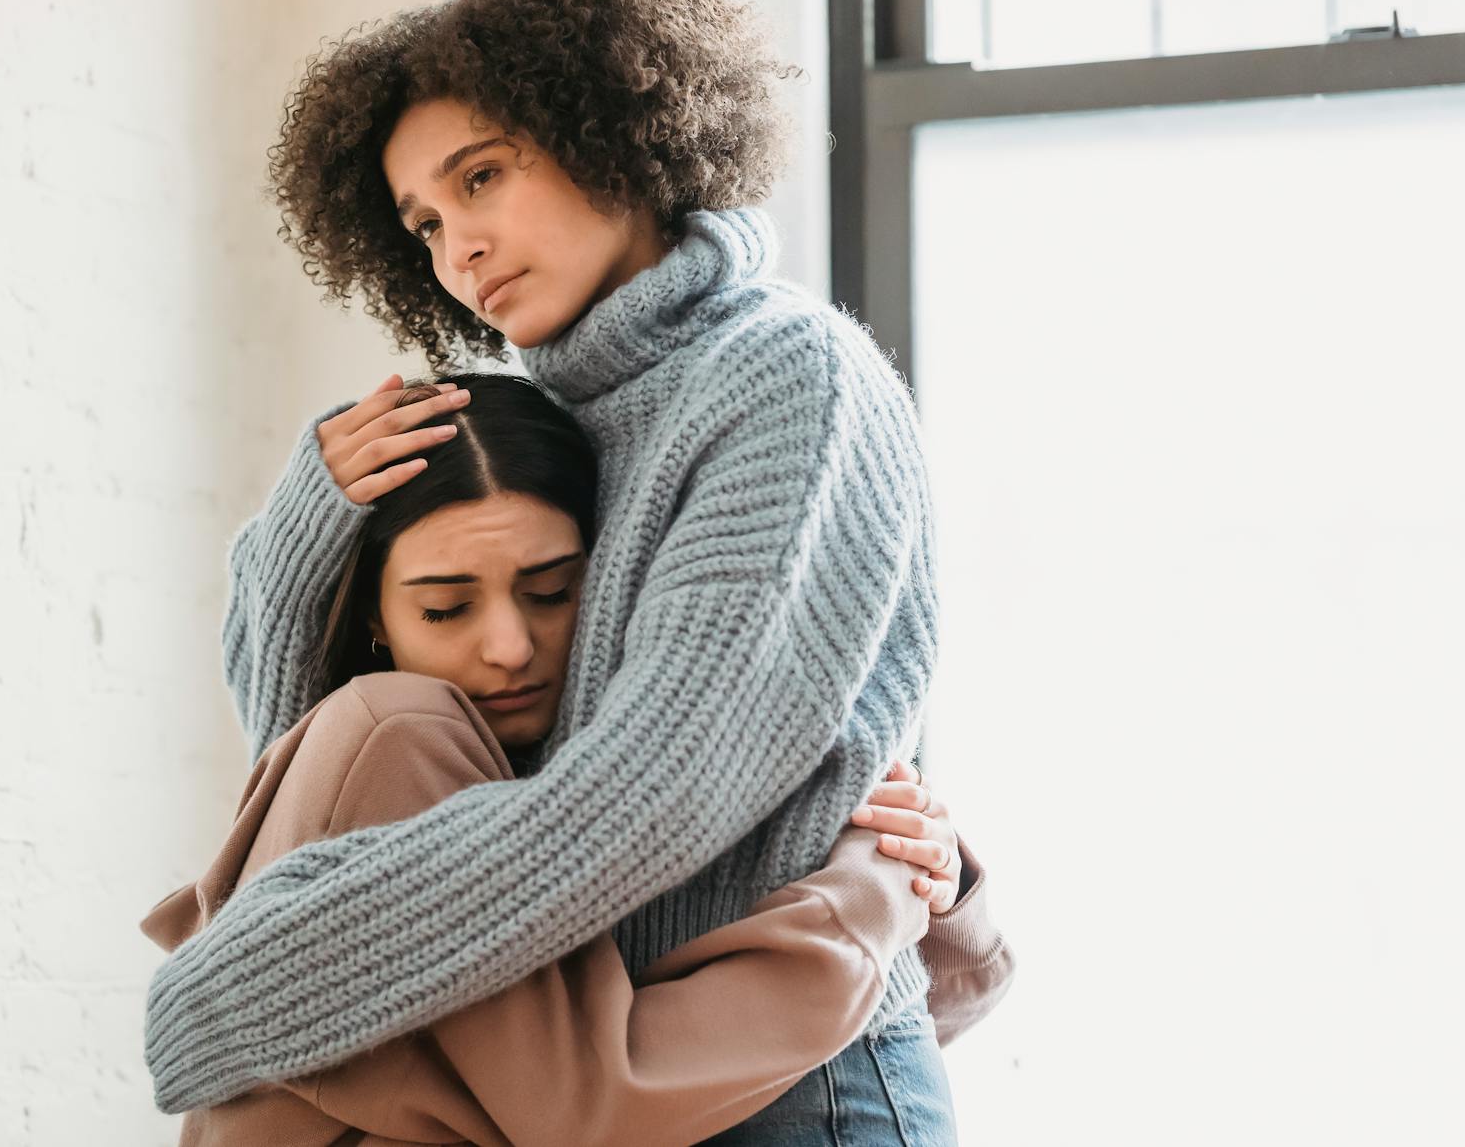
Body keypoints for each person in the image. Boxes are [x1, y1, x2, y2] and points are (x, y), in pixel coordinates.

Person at [146, 0, 997, 1143]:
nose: (457, 250)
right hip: (615, 1071)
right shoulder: (556, 420)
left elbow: (655, 791)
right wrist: (302, 535)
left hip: (795, 1093)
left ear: (610, 130)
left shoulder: (782, 374)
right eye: (423, 222)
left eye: (480, 179)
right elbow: (331, 769)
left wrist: (258, 978)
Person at [141, 374, 1011, 1146]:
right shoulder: (400, 730)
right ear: (375, 616)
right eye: (447, 608)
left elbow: (939, 1015)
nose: (511, 646)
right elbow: (599, 1102)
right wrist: (880, 890)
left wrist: (920, 856)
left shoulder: (529, 773)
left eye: (554, 590)